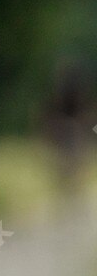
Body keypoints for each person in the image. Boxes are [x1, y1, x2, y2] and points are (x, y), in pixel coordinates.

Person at [40, 55, 95, 216]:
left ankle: (71, 194)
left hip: (71, 132)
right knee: (69, 164)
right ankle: (70, 194)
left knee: (70, 164)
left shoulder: (74, 93)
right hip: (67, 131)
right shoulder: (66, 94)